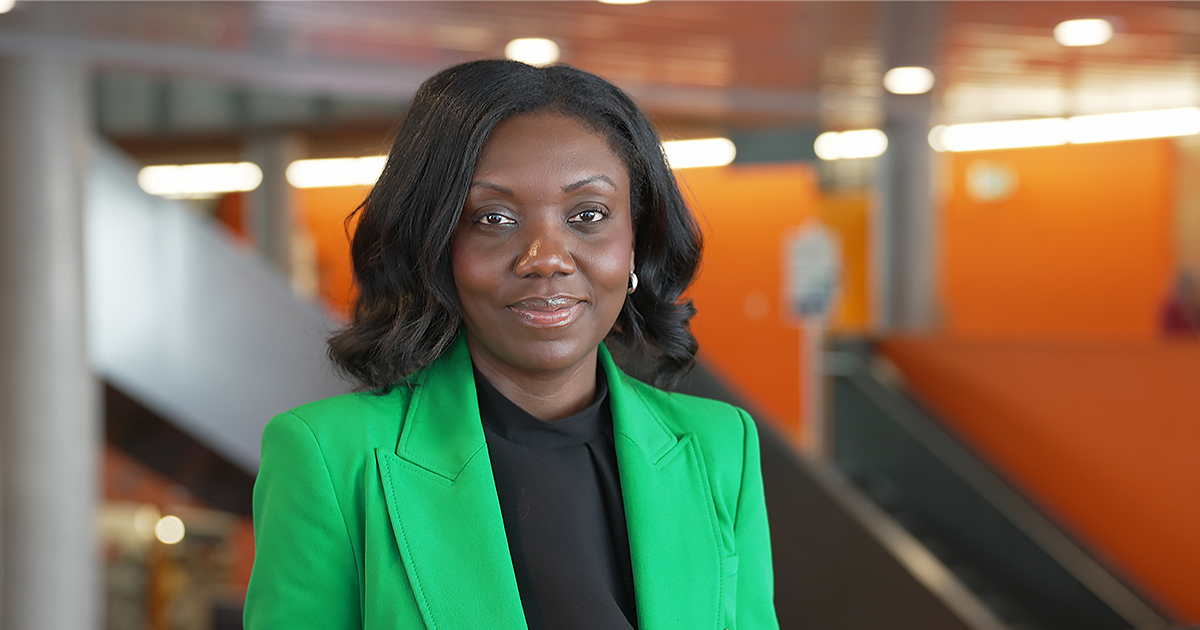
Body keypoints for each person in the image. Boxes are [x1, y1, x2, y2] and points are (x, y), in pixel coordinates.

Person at [244, 59, 778, 630]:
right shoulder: (328, 457)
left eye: (589, 215)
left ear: (635, 242)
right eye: (494, 218)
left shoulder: (721, 447)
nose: (545, 258)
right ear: (436, 244)